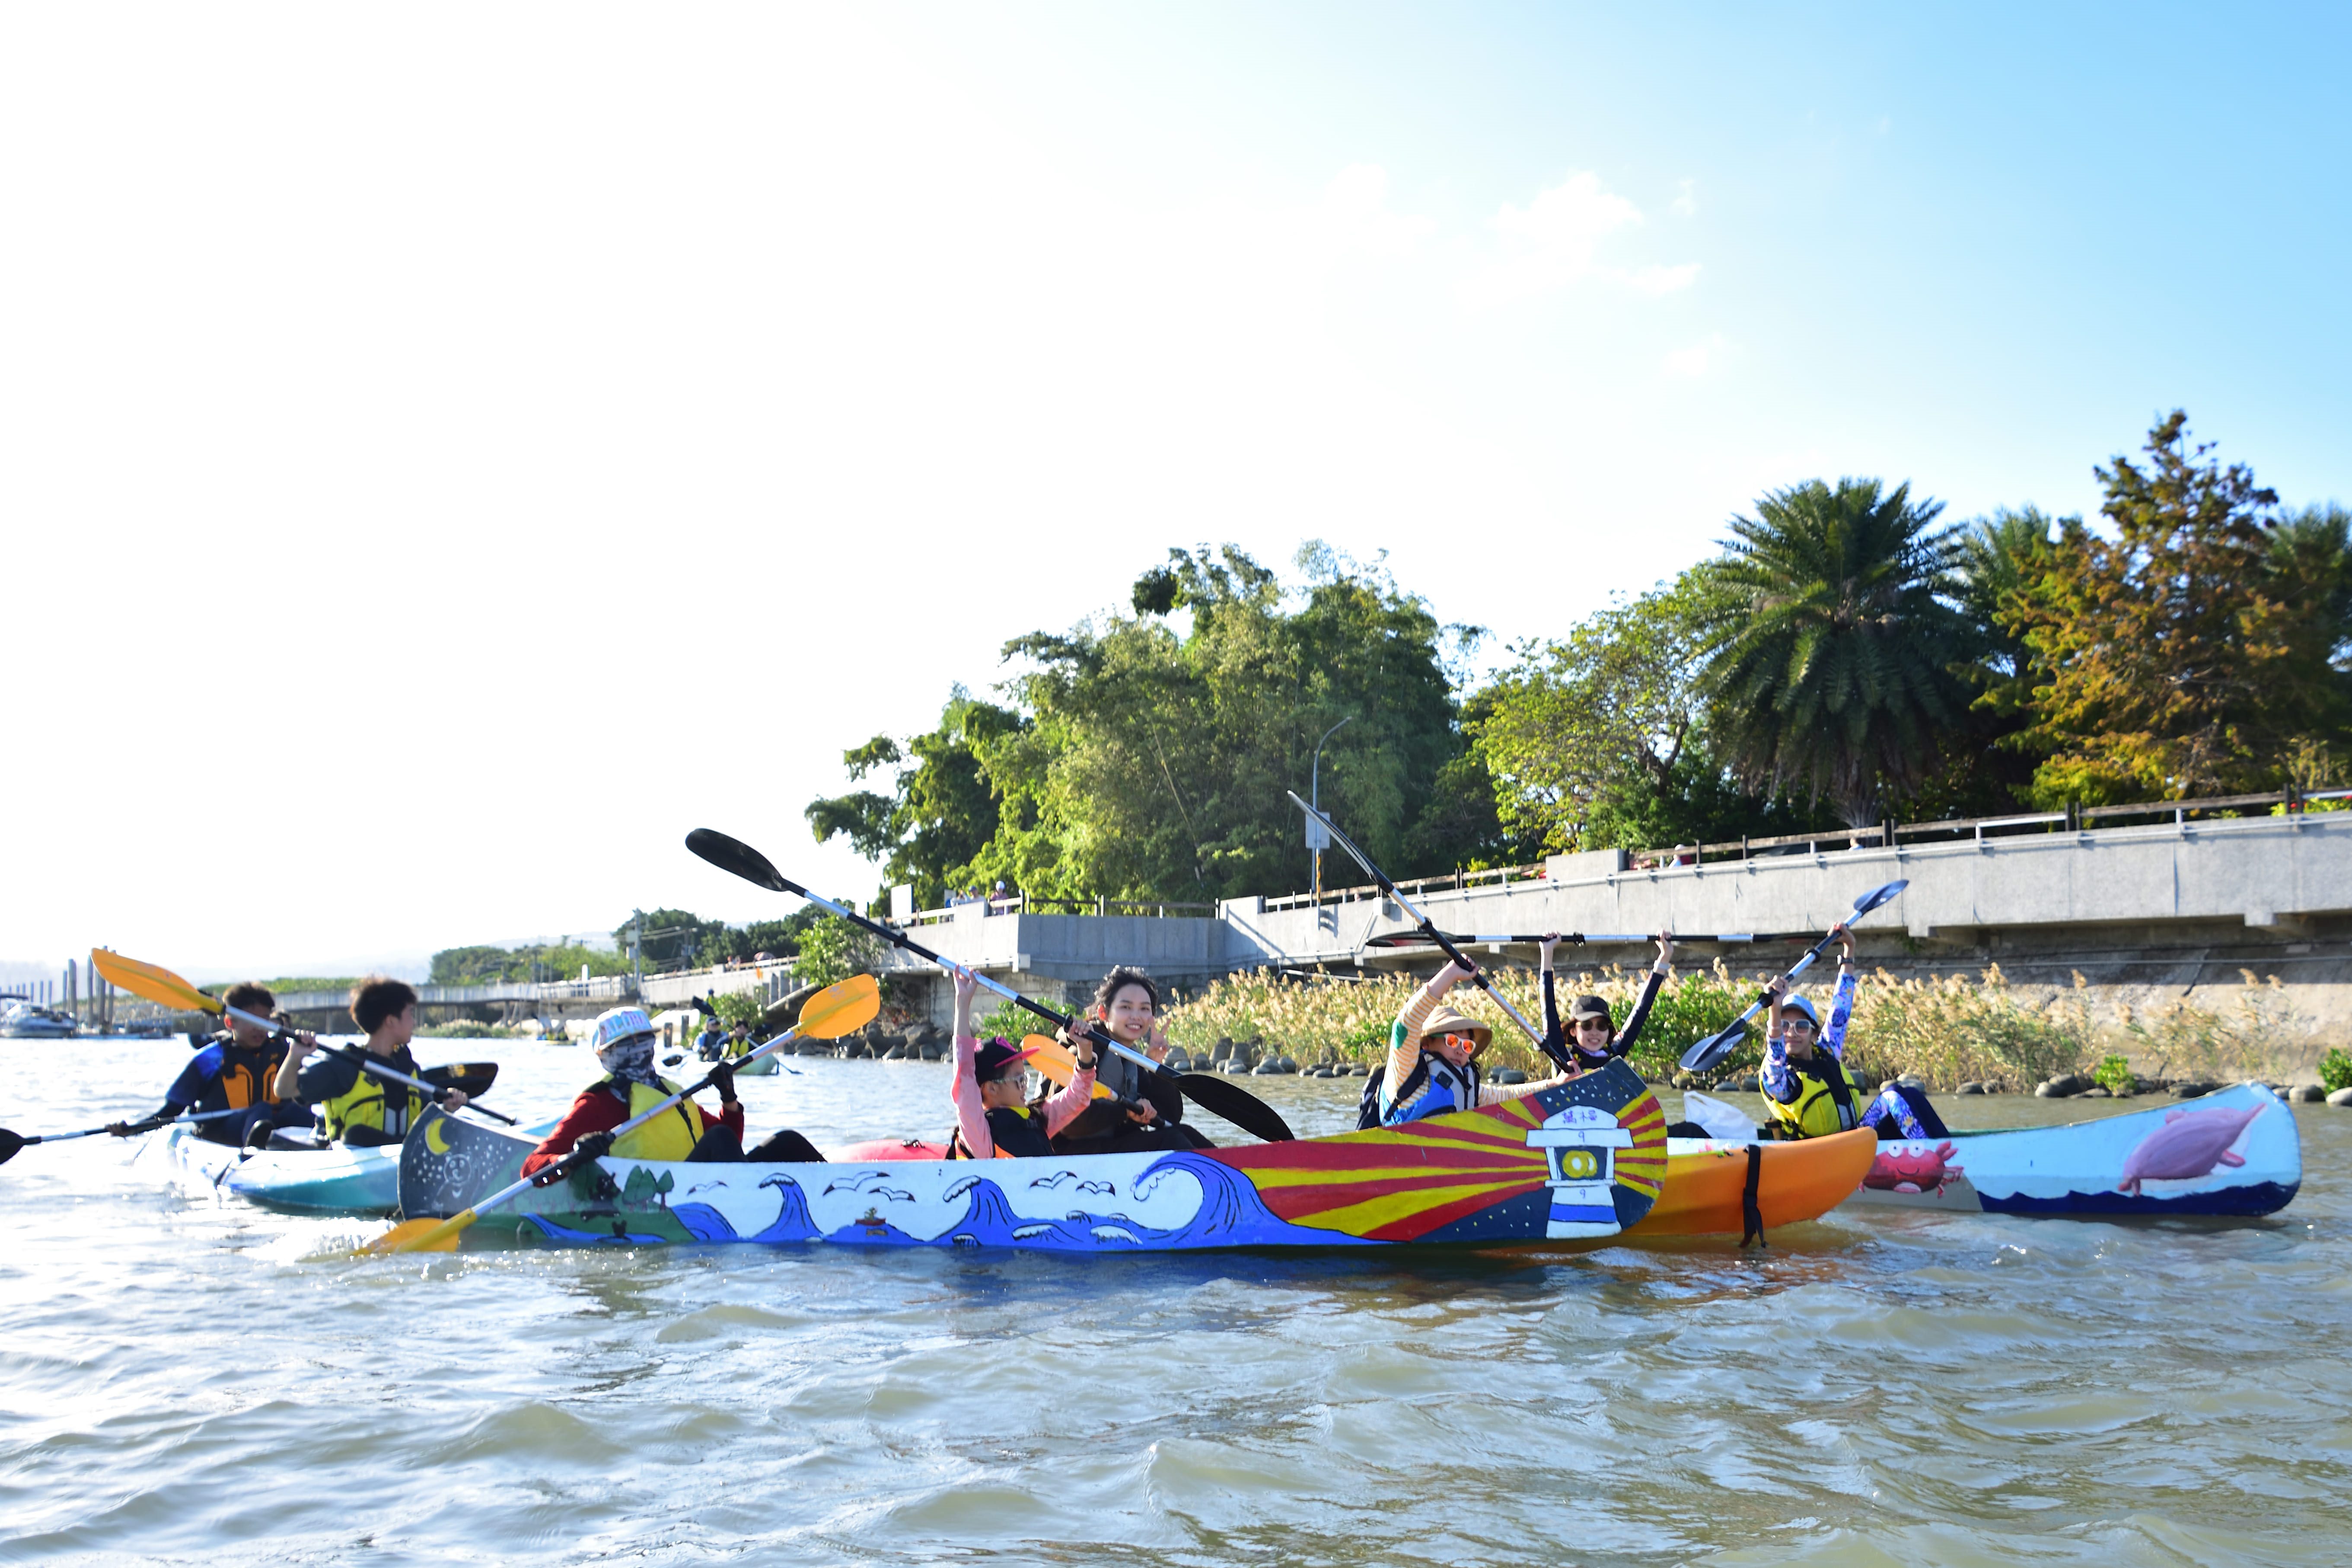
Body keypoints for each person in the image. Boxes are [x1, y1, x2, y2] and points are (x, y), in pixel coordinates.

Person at [521, 1005, 822, 1177]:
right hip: (666, 1194)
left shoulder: (668, 1090)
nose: (639, 1049)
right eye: (628, 1044)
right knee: (717, 1139)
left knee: (786, 1141)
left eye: (644, 1040)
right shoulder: (598, 1103)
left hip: (708, 1183)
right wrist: (573, 1155)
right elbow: (532, 1166)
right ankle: (756, 1198)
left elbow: (731, 1142)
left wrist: (728, 1097)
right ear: (605, 1055)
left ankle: (851, 1190)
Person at [1758, 925, 1949, 1141]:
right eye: (1784, 1026)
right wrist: (1774, 1009)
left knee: (1907, 1093)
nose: (1791, 1033)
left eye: (1801, 1026)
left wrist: (1849, 949)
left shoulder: (1826, 1052)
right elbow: (1775, 1055)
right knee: (1894, 1100)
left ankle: (1946, 1146)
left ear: (1813, 1035)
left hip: (1851, 1143)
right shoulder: (1781, 1079)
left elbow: (1841, 1007)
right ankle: (1932, 1156)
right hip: (1820, 1153)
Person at [1369, 960, 1576, 1127]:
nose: (1460, 1050)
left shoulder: (1466, 1082)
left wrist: (1555, 1084)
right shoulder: (1407, 1069)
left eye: (1467, 1046)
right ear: (1427, 1044)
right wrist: (1451, 974)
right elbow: (1405, 1026)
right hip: (1401, 1159)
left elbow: (1505, 1095)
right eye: (1452, 1041)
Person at [270, 975, 468, 1147]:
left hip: (401, 1161)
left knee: (462, 1125)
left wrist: (447, 1111)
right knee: (357, 1135)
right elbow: (284, 1091)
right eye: (410, 1013)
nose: (414, 1022)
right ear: (391, 1021)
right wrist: (295, 1056)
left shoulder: (411, 1070)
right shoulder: (344, 1066)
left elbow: (425, 1125)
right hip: (353, 1164)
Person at [110, 982, 315, 1148]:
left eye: (264, 1021)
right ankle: (254, 1154)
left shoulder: (284, 1052)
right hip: (221, 1133)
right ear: (229, 1023)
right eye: (251, 1021)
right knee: (260, 1109)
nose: (259, 1029)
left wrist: (299, 1055)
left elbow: (305, 1096)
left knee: (298, 1114)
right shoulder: (211, 1058)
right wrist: (133, 1129)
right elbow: (173, 1109)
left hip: (271, 1126)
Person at [943, 967, 1098, 1159]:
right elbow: (965, 1080)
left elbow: (1078, 1098)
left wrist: (1085, 1050)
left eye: (1025, 1079)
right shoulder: (980, 1135)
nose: (1025, 1087)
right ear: (991, 1089)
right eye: (1019, 1081)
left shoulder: (1038, 1118)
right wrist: (963, 1003)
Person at [1052, 966, 1206, 1152]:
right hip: (1074, 1155)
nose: (1136, 1016)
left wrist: (1155, 1067)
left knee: (1184, 1132)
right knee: (1171, 1140)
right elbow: (1068, 1122)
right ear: (1103, 1013)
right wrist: (1125, 1112)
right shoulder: (1083, 1049)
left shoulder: (1133, 1059)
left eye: (1144, 1009)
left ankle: (1240, 1170)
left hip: (1113, 1148)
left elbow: (1171, 1117)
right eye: (1125, 1007)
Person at [1539, 932, 1673, 1071]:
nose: (1595, 1032)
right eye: (1586, 1025)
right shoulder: (1563, 1056)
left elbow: (1641, 1011)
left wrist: (1665, 957)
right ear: (1573, 1031)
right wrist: (1547, 953)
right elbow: (1549, 1014)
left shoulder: (1614, 1055)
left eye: (1602, 1026)